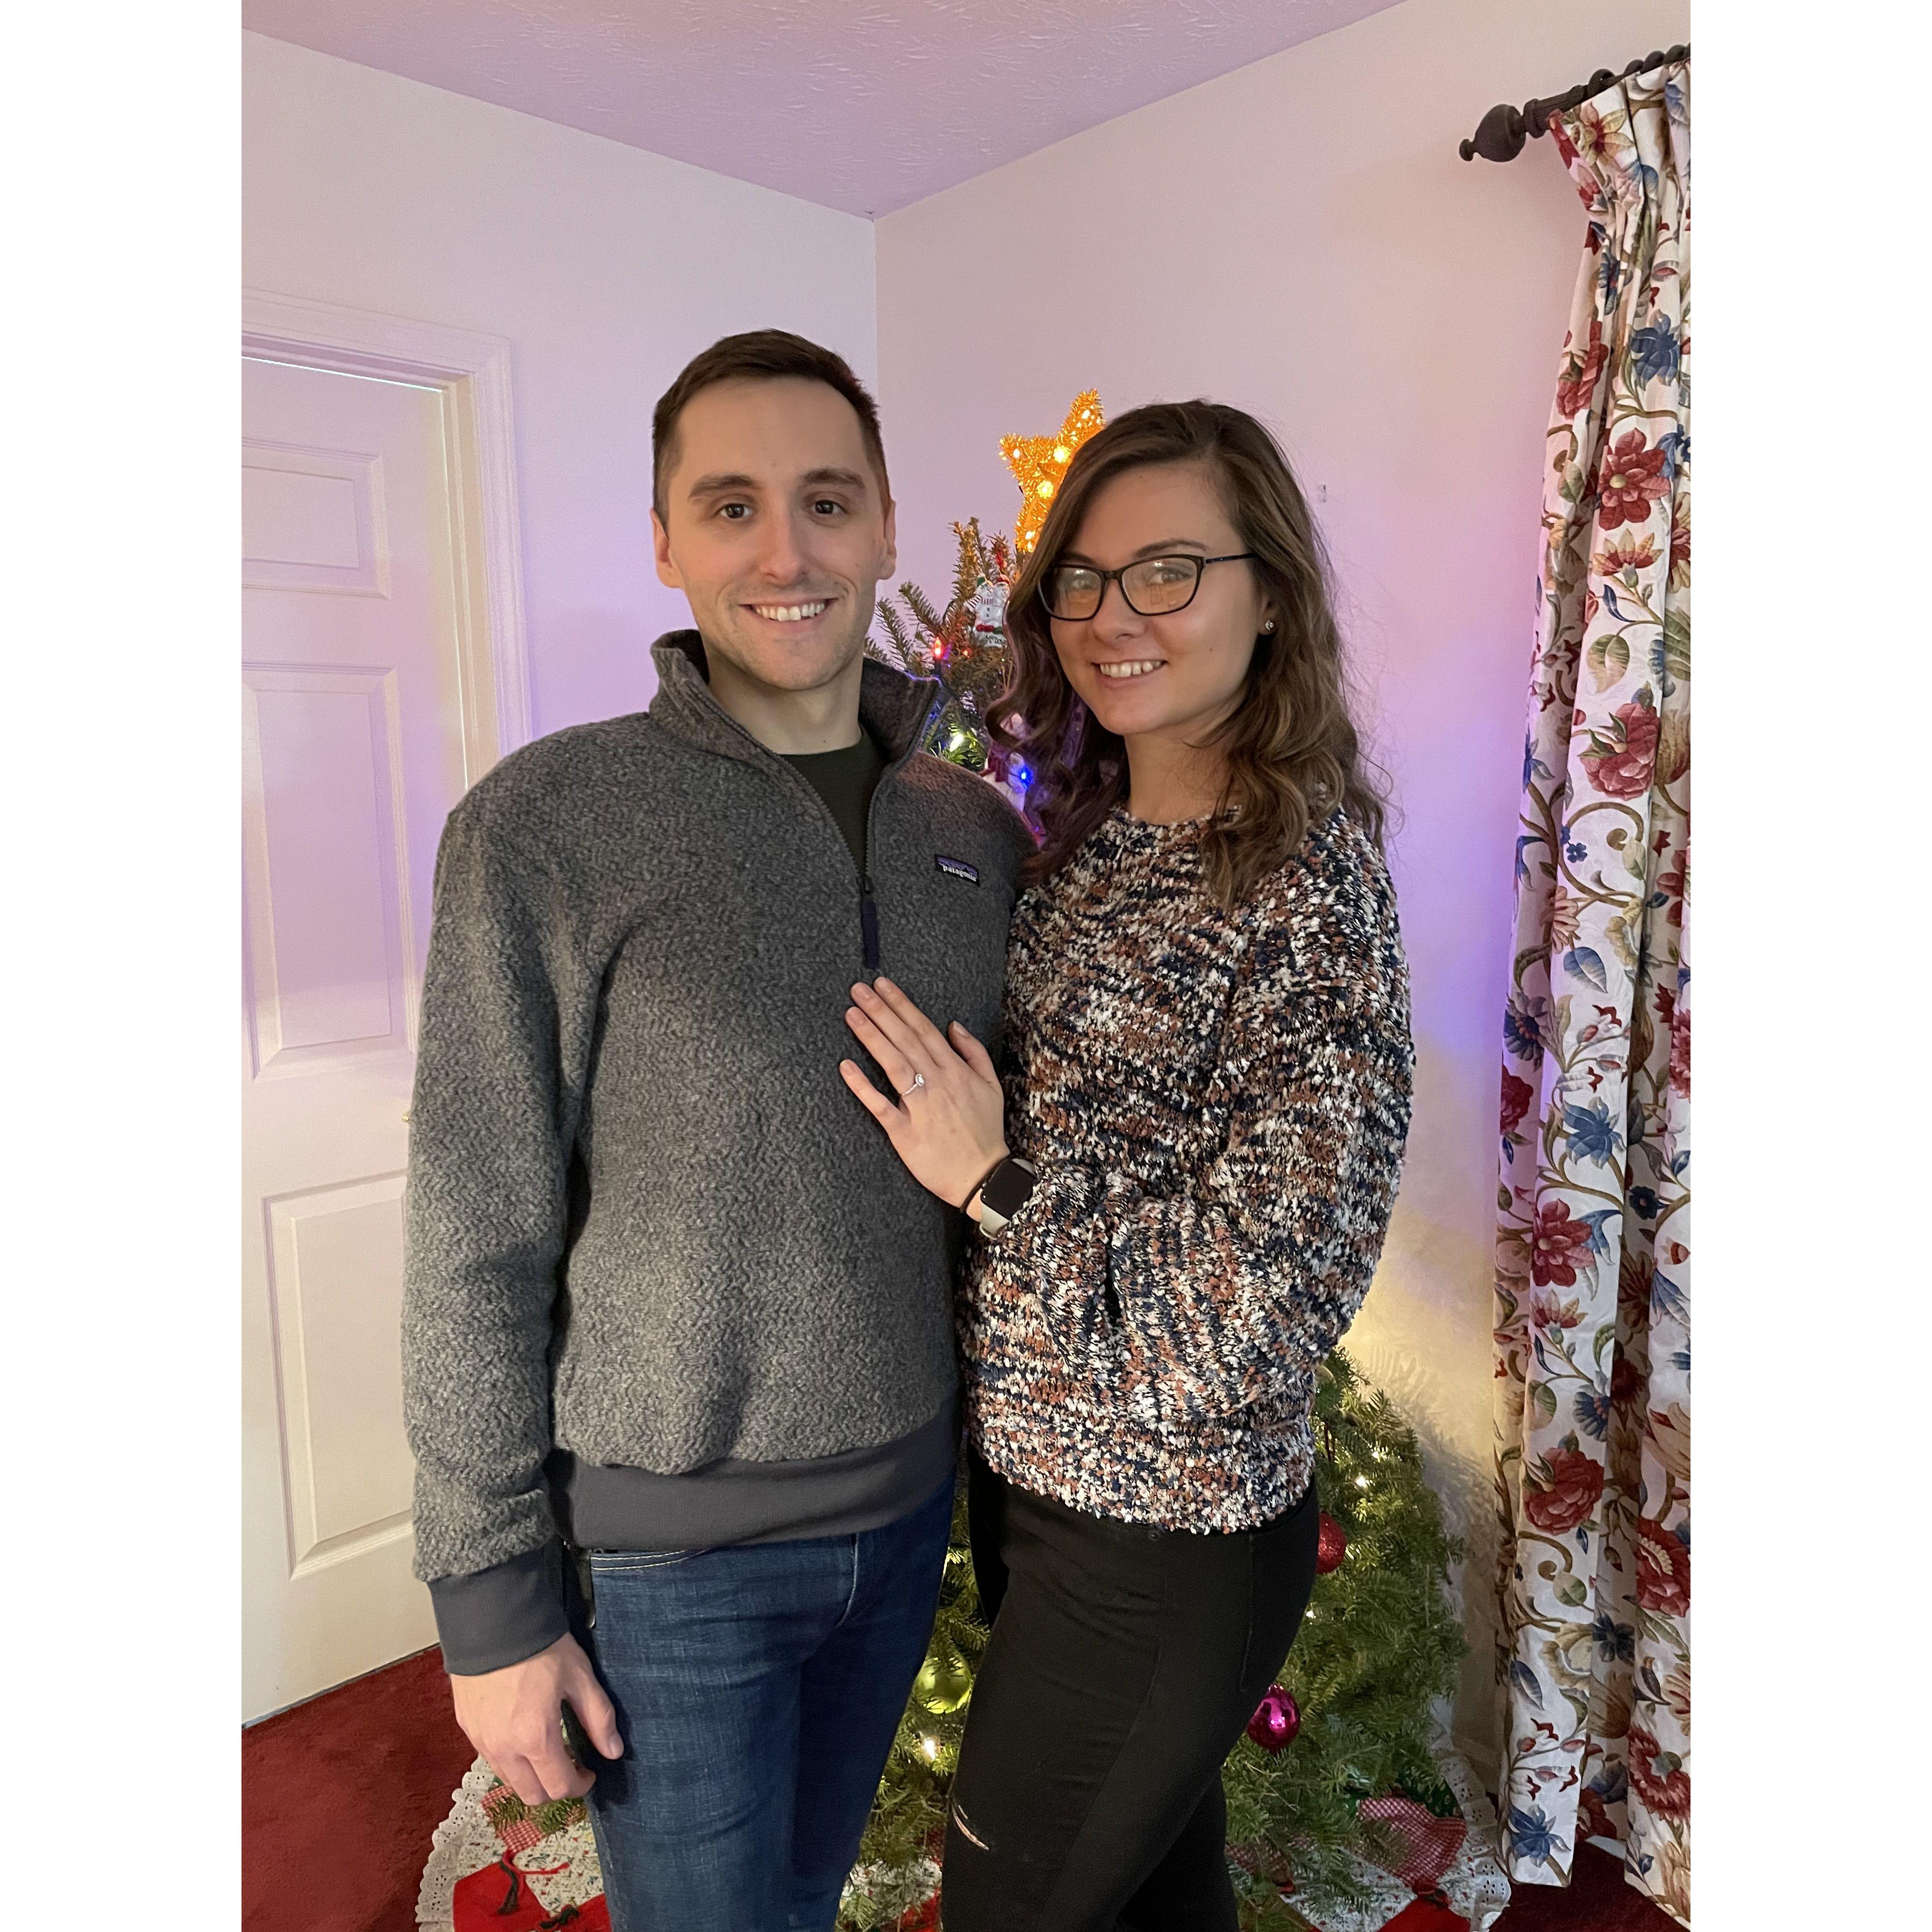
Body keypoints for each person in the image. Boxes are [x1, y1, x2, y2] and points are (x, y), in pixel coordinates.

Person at [401, 329, 1032, 1932]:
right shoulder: (547, 825)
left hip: (906, 1517)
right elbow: (475, 1229)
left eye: (826, 501)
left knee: (806, 1903)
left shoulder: (975, 830)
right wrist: (490, 1601)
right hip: (670, 1564)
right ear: (666, 542)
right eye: (731, 505)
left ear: (885, 524)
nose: (785, 552)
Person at [836, 400, 1415, 1931]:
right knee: (1156, 1899)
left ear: (1269, 592)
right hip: (1035, 1488)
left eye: (1168, 571)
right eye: (1082, 580)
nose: (1112, 617)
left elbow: (1270, 1304)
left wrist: (997, 1185)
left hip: (1168, 1533)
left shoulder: (1308, 891)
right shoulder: (1087, 849)